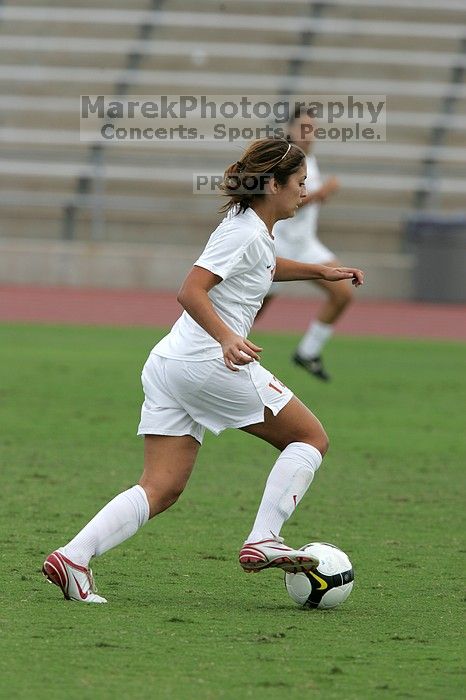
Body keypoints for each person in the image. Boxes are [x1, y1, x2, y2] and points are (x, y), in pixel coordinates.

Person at [42, 138, 363, 604]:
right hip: (206, 363)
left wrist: (322, 272)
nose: (304, 192)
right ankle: (264, 537)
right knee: (310, 438)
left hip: (170, 364)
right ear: (273, 185)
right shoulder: (246, 231)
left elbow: (263, 266)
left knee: (162, 487)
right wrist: (227, 338)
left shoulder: (250, 228)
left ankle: (73, 558)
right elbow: (191, 290)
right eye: (299, 183)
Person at [257, 107, 350, 381]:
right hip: (279, 245)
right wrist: (321, 193)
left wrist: (320, 194)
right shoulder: (283, 157)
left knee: (343, 293)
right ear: (290, 129)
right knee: (253, 308)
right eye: (304, 127)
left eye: (313, 128)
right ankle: (220, 344)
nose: (309, 134)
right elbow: (282, 198)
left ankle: (307, 352)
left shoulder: (310, 158)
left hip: (306, 244)